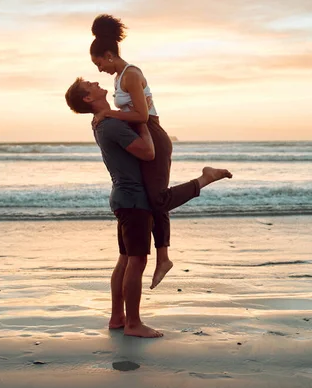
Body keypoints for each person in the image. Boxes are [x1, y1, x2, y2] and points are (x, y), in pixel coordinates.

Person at [65, 78, 231, 338]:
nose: (97, 82)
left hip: (124, 198)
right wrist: (142, 123)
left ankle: (118, 317)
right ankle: (133, 323)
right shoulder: (109, 124)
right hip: (134, 201)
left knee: (125, 259)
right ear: (88, 98)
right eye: (90, 84)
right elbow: (147, 152)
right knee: (137, 261)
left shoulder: (101, 121)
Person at [88, 14, 232, 289]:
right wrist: (109, 115)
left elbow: (142, 114)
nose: (98, 70)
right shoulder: (120, 77)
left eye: (98, 63)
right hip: (143, 132)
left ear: (108, 55)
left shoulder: (131, 74)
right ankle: (163, 256)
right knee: (152, 198)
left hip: (152, 134)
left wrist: (109, 113)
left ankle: (206, 178)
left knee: (158, 198)